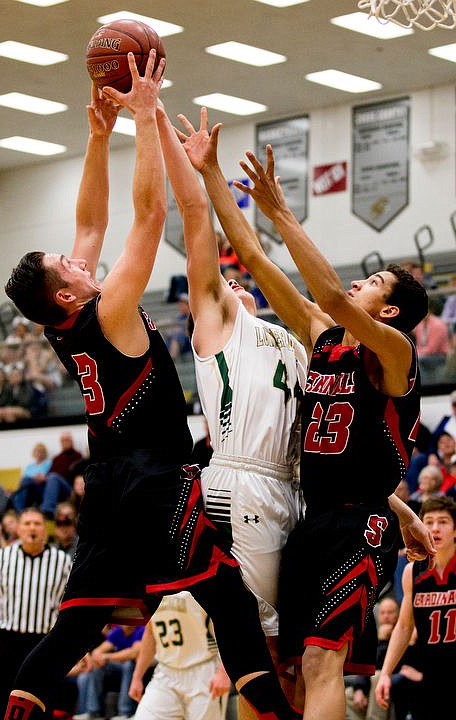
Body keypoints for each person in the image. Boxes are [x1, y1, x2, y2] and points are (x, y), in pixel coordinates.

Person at [2, 54, 299, 720]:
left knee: (74, 630)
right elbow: (147, 214)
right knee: (227, 596)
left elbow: (89, 225)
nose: (80, 256)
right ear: (70, 290)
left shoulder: (63, 320)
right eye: (69, 265)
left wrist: (97, 133)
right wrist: (142, 116)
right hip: (154, 476)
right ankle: (276, 712)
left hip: (106, 483)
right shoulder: (108, 307)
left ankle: (14, 708)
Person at [175, 111, 436, 720]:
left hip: (358, 525)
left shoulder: (395, 355)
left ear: (391, 313)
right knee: (283, 668)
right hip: (308, 517)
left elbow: (328, 296)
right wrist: (211, 172)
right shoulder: (326, 337)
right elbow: (254, 261)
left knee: (322, 662)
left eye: (373, 281)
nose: (357, 283)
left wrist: (283, 213)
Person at [159, 105, 307, 718]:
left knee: (295, 655)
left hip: (292, 489)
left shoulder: (295, 339)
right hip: (241, 483)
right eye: (224, 280)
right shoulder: (219, 324)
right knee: (260, 652)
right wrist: (161, 124)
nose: (232, 283)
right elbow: (201, 230)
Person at [0, 507, 73, 720]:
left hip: (44, 642)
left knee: (42, 705)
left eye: (37, 523)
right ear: (18, 529)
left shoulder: (62, 562)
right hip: (7, 641)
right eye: (27, 523)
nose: (32, 528)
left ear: (45, 529)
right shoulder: (1, 558)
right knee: (4, 704)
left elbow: (71, 606)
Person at [375, 496, 456, 719]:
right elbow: (403, 626)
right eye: (428, 522)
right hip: (428, 669)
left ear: (455, 530)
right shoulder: (413, 571)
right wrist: (385, 673)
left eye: (443, 522)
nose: (435, 527)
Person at [129, 591, 230, 720]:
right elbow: (150, 632)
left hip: (204, 671)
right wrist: (137, 677)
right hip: (166, 672)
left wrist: (224, 671)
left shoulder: (200, 580)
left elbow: (228, 625)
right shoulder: (151, 589)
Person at [76, 624, 144, 720]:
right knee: (97, 667)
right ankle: (93, 712)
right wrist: (99, 658)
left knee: (128, 665)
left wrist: (106, 657)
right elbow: (96, 652)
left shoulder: (141, 630)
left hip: (135, 668)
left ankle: (124, 713)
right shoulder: (118, 631)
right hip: (117, 668)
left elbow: (133, 653)